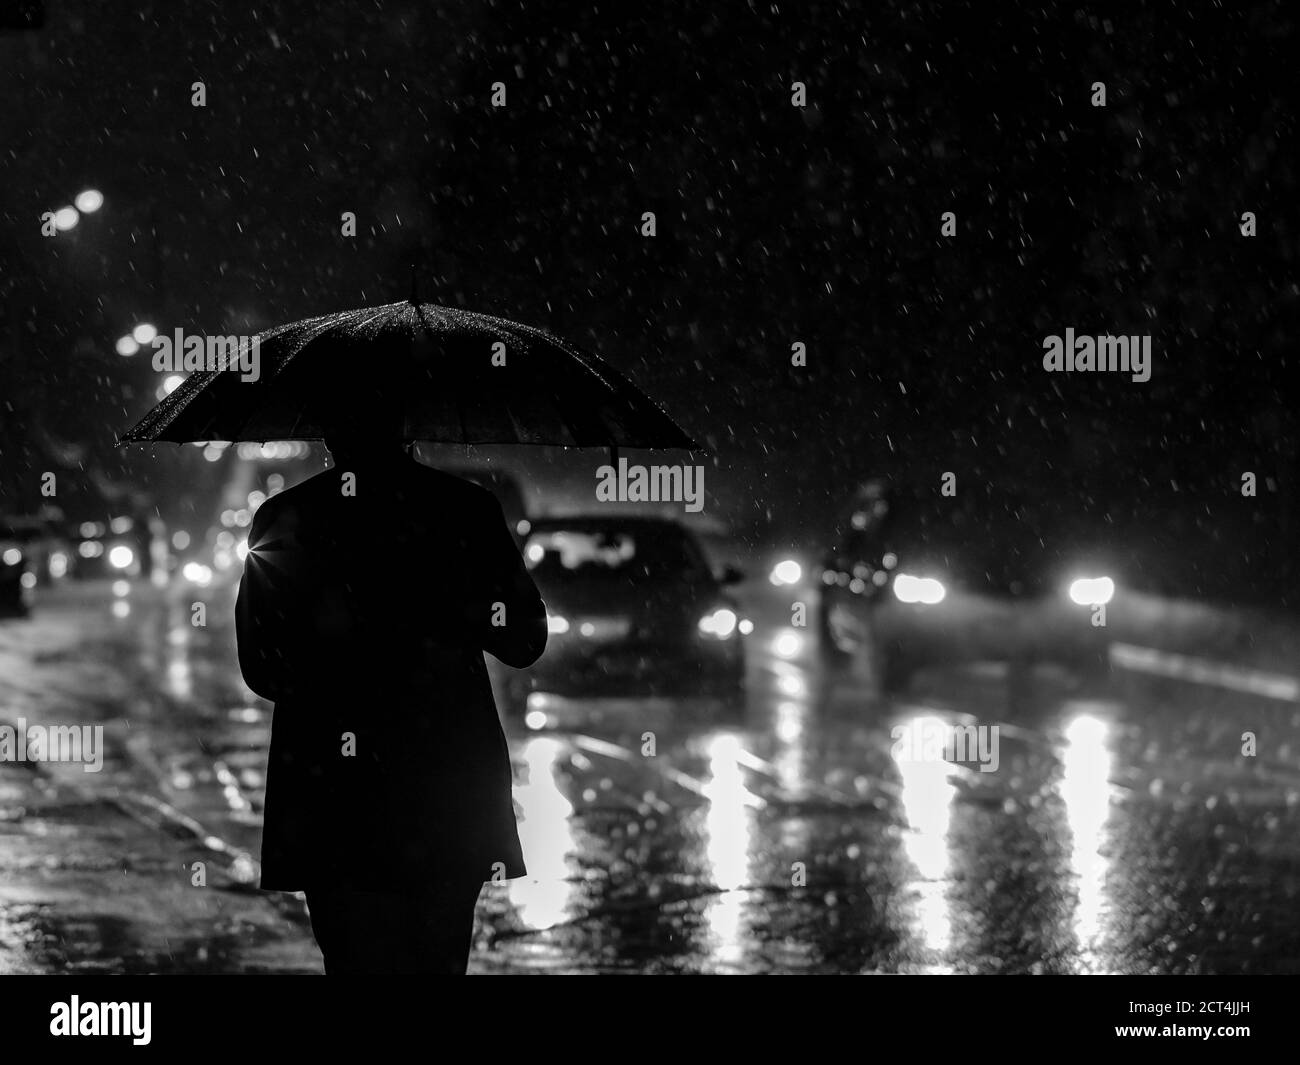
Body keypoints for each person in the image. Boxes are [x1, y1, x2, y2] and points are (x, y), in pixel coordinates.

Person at [234, 422, 547, 974]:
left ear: (329, 433)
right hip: (446, 783)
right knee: (437, 960)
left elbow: (262, 666)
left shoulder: (287, 518)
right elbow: (524, 641)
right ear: (411, 425)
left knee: (354, 962)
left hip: (330, 790)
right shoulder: (465, 510)